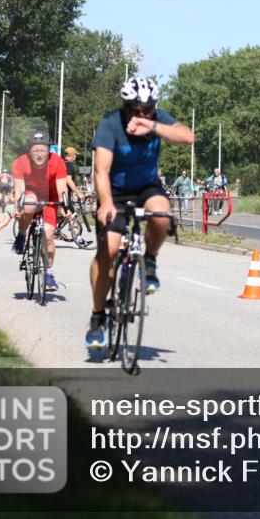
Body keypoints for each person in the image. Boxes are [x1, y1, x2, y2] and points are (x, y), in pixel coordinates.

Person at [86, 77, 194, 348]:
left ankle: (150, 260)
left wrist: (154, 126)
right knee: (108, 252)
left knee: (161, 215)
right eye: (136, 110)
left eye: (148, 109)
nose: (142, 114)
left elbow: (187, 137)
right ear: (126, 107)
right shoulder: (111, 124)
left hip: (147, 187)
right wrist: (107, 203)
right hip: (115, 193)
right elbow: (101, 171)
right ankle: (98, 316)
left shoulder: (155, 118)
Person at [11, 131, 69, 292]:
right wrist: (17, 208)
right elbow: (19, 188)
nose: (39, 154)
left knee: (48, 235)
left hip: (50, 198)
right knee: (28, 204)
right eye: (35, 150)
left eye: (42, 150)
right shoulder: (20, 162)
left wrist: (65, 206)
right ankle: (22, 234)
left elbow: (62, 188)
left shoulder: (57, 162)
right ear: (29, 150)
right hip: (30, 194)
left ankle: (49, 273)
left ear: (48, 150)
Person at [59, 146, 86, 230]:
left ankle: (57, 232)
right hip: (65, 194)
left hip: (60, 192)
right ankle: (76, 233)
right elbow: (69, 180)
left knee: (65, 213)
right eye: (75, 155)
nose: (75, 157)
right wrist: (78, 193)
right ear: (71, 155)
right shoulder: (69, 165)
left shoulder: (61, 163)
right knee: (71, 214)